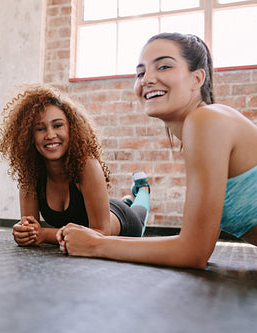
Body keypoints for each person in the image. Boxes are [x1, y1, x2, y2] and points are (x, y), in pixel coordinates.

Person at [57, 32, 257, 269]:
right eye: (140, 72)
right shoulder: (207, 123)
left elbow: (193, 252)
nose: (147, 79)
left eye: (163, 66)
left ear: (197, 78)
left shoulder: (206, 120)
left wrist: (97, 244)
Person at [0, 84, 150, 246]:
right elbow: (31, 229)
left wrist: (43, 234)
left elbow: (101, 233)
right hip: (100, 212)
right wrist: (23, 232)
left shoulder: (86, 165)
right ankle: (126, 200)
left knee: (138, 212)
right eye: (40, 128)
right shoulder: (31, 173)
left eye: (57, 125)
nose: (50, 135)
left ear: (72, 128)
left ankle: (143, 189)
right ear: (29, 136)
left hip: (123, 222)